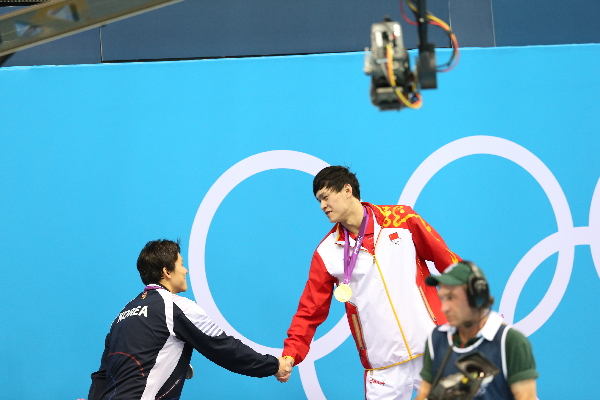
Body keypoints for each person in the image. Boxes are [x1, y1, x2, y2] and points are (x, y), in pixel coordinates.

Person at [279, 166, 461, 399]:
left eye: (325, 197)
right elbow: (309, 310)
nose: (322, 206)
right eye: (318, 201)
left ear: (347, 190)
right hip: (383, 367)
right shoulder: (326, 253)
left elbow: (450, 263)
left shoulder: (402, 220)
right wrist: (291, 353)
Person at [88, 239, 290, 400]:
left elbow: (103, 375)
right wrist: (272, 366)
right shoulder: (176, 306)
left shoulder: (122, 315)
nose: (186, 270)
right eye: (181, 264)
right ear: (166, 272)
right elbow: (224, 348)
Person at [415, 261, 538, 400]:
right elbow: (423, 395)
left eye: (451, 298)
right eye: (443, 298)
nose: (444, 308)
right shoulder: (437, 338)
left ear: (477, 297)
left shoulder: (510, 341)